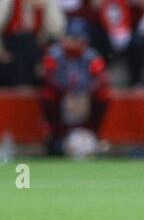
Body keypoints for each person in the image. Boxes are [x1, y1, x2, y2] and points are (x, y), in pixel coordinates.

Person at [39, 18, 110, 156]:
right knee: (47, 95)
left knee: (103, 95)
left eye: (78, 38)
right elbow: (47, 76)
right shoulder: (55, 55)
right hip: (62, 94)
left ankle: (94, 134)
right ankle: (55, 137)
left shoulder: (91, 57)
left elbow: (101, 78)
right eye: (72, 38)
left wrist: (84, 93)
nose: (75, 42)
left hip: (85, 95)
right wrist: (67, 92)